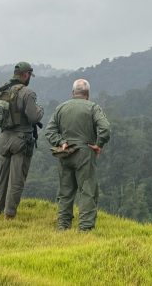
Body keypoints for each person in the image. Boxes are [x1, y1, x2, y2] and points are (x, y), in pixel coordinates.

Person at [45, 78, 110, 231]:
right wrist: (98, 144)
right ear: (88, 94)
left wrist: (60, 142)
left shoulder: (61, 108)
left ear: (73, 93)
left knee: (65, 191)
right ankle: (85, 228)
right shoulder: (93, 107)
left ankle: (62, 226)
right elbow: (105, 128)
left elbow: (49, 131)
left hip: (65, 152)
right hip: (85, 153)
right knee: (87, 190)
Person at [0, 61, 44, 219]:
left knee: (2, 177)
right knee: (16, 179)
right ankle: (9, 214)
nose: (30, 78)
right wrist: (41, 109)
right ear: (25, 75)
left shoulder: (1, 90)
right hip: (21, 139)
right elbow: (34, 116)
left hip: (4, 138)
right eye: (29, 75)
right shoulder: (27, 93)